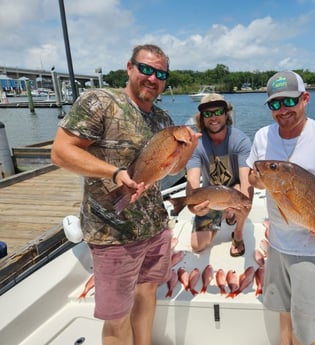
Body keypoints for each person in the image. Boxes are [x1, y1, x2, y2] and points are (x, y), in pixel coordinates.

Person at [51, 44, 199, 345]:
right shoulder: (100, 101)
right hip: (112, 233)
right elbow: (60, 152)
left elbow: (171, 172)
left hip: (155, 228)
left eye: (160, 74)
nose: (152, 78)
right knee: (117, 317)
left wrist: (188, 152)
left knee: (147, 295)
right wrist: (115, 173)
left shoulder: (162, 119)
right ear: (129, 67)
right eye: (146, 69)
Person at [247, 71, 315, 345]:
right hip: (277, 245)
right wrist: (259, 179)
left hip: (314, 251)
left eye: (289, 101)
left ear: (305, 99)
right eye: (274, 104)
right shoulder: (263, 136)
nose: (282, 110)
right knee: (283, 316)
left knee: (307, 331)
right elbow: (254, 175)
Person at [185, 93, 253, 256]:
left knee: (243, 195)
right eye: (207, 114)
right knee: (197, 245)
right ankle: (226, 213)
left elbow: (246, 179)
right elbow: (193, 179)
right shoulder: (196, 145)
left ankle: (237, 231)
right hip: (211, 197)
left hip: (234, 191)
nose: (213, 117)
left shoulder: (240, 140)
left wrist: (245, 203)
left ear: (226, 113)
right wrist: (193, 206)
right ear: (202, 118)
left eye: (218, 112)